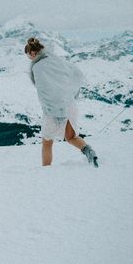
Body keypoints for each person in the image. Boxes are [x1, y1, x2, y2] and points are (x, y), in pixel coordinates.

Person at [25, 37, 98, 167]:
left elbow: (44, 91)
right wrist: (70, 94)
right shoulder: (58, 60)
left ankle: (46, 170)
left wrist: (52, 108)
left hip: (53, 109)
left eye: (29, 57)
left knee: (47, 141)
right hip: (69, 104)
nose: (30, 60)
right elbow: (77, 74)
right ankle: (89, 151)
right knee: (71, 137)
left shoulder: (37, 67)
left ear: (32, 53)